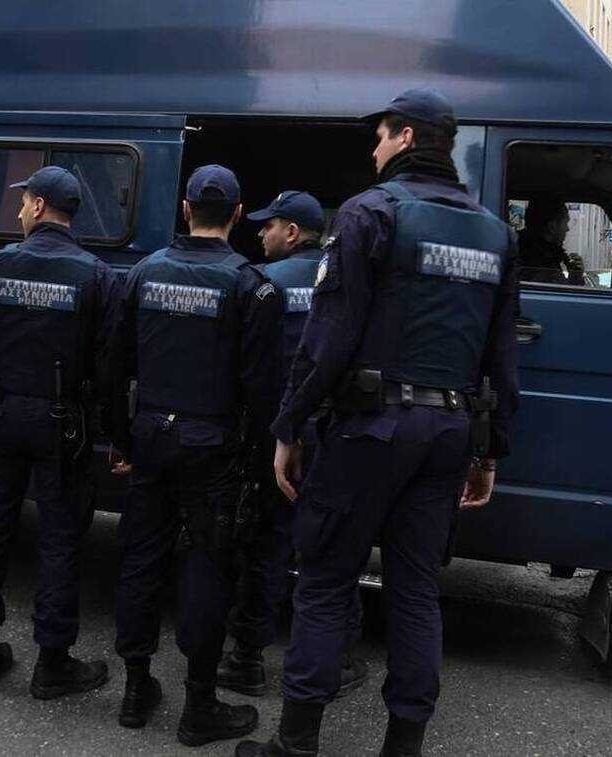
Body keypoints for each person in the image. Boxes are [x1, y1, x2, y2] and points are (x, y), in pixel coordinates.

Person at [237, 88, 520, 756]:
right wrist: (490, 450)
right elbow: (501, 356)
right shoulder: (495, 233)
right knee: (417, 591)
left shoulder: (369, 213)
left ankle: (296, 743)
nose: (373, 149)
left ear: (405, 137)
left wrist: (288, 426)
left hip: (370, 428)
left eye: (380, 135)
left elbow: (328, 337)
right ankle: (402, 747)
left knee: (326, 581)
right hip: (448, 432)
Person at [106, 164, 283, 746]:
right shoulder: (252, 286)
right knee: (207, 569)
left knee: (140, 560)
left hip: (152, 440)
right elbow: (263, 391)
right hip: (214, 450)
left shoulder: (143, 272)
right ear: (237, 214)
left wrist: (124, 440)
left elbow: (114, 369)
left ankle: (135, 690)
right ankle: (198, 706)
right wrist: (259, 465)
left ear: (185, 209)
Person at [0, 166, 117, 698]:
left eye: (24, 202)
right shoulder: (96, 275)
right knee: (60, 541)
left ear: (39, 206)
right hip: (63, 426)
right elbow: (111, 367)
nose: (19, 210)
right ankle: (52, 665)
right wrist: (103, 426)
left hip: (1, 419)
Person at [217, 190, 368, 699]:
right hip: (335, 434)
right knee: (334, 549)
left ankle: (246, 659)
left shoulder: (264, 283)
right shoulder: (350, 282)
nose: (261, 234)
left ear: (294, 232)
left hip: (278, 435)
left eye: (269, 226)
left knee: (265, 544)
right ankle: (338, 659)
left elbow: (247, 369)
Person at [518, 197, 584, 285]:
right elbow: (560, 291)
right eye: (565, 223)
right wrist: (576, 278)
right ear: (552, 226)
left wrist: (574, 274)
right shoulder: (543, 263)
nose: (567, 229)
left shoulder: (520, 248)